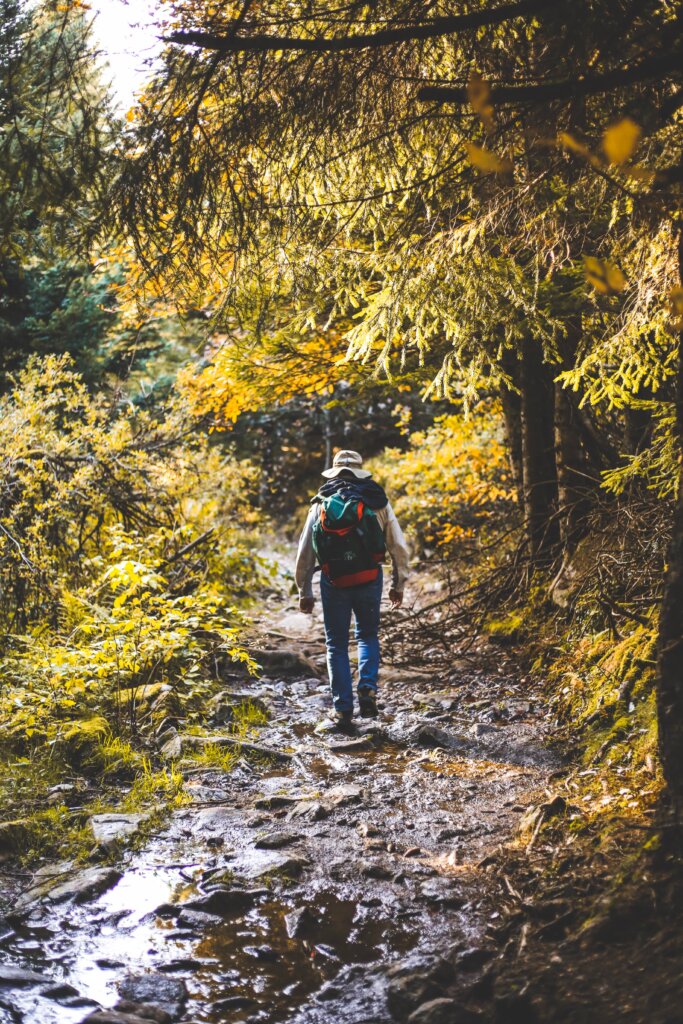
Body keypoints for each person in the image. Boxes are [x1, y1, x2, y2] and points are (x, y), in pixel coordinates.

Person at [295, 450, 410, 731]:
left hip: (334, 581)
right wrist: (398, 583)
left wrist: (304, 590)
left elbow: (305, 552)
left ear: (334, 472)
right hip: (370, 578)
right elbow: (398, 546)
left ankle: (343, 710)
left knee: (336, 645)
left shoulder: (320, 503)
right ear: (360, 471)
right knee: (367, 635)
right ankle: (367, 687)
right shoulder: (377, 501)